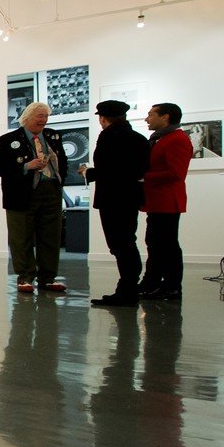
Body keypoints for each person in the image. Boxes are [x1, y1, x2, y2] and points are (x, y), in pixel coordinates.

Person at [0, 101, 68, 293]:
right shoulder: (8, 139)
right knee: (21, 237)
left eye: (45, 116)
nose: (43, 120)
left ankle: (48, 278)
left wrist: (60, 179)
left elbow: (63, 161)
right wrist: (26, 166)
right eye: (39, 116)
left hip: (50, 190)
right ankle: (25, 277)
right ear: (27, 118)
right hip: (21, 194)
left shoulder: (53, 136)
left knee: (51, 235)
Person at [79, 99, 150, 306]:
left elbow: (108, 170)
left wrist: (87, 172)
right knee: (127, 242)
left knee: (120, 245)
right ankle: (128, 288)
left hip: (113, 198)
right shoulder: (138, 138)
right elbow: (138, 169)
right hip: (130, 197)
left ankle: (127, 291)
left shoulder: (109, 137)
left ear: (103, 118)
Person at [139, 102, 193, 300]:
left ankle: (171, 285)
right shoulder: (162, 139)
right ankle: (153, 282)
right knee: (155, 243)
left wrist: (144, 177)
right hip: (157, 201)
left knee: (167, 245)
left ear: (166, 117)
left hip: (167, 201)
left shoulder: (176, 140)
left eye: (151, 114)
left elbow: (176, 173)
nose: (147, 118)